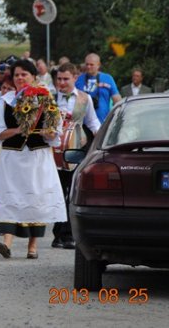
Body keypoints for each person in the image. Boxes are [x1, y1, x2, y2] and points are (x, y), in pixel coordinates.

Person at [0, 59, 67, 259]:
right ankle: (7, 242)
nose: (20, 78)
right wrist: (18, 130)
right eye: (16, 75)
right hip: (13, 157)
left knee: (35, 198)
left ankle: (33, 246)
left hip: (37, 157)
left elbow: (55, 134)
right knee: (11, 196)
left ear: (33, 77)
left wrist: (50, 133)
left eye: (24, 74)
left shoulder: (46, 100)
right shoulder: (4, 102)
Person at [52, 63, 100, 250]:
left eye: (66, 79)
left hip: (76, 150)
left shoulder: (84, 98)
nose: (62, 83)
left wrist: (102, 136)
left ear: (75, 78)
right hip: (54, 151)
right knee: (57, 193)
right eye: (59, 79)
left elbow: (92, 121)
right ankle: (58, 235)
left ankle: (68, 234)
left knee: (72, 193)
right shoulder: (50, 97)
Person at [75, 53, 121, 123]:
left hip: (102, 122)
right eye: (87, 64)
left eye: (91, 64)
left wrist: (116, 118)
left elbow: (117, 100)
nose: (88, 67)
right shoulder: (79, 79)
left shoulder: (107, 78)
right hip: (82, 123)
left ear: (98, 65)